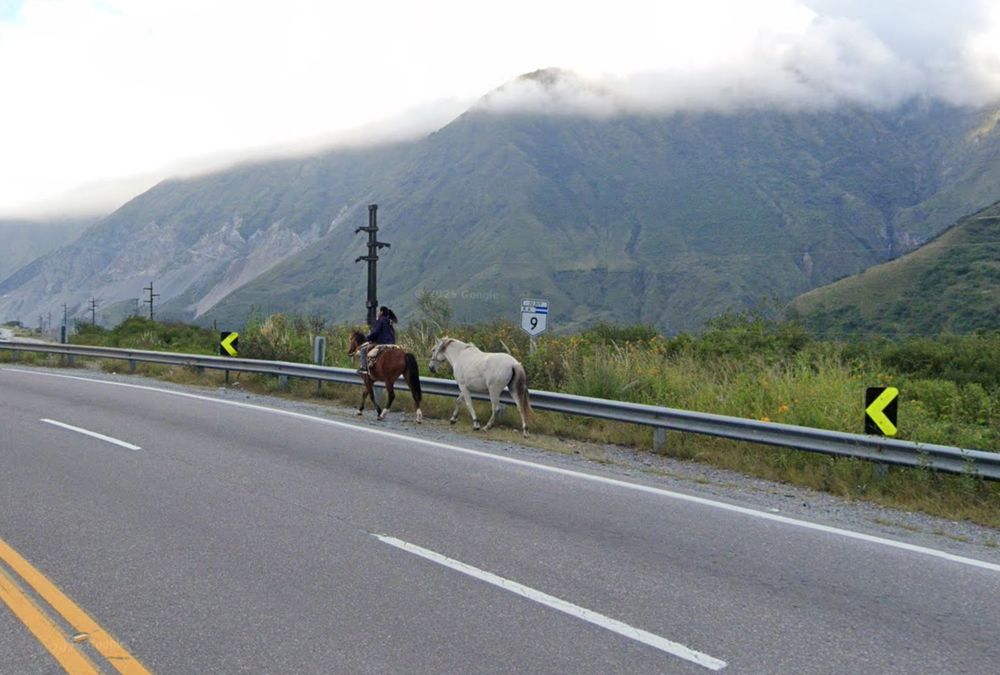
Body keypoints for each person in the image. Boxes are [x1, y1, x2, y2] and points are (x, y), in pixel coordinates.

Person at [358, 306, 398, 374]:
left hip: (381, 343)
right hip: (392, 343)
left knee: (363, 350)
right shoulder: (389, 322)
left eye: (378, 311)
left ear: (381, 312)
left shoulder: (380, 321)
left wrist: (367, 338)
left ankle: (364, 368)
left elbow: (375, 333)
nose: (377, 313)